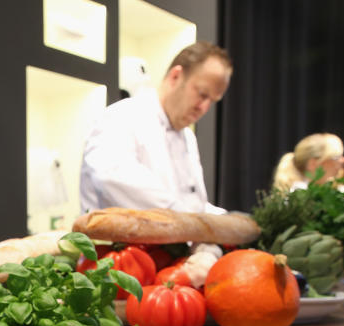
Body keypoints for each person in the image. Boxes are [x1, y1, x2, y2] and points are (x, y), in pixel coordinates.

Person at [79, 41, 233, 215]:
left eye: (212, 101)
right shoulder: (121, 117)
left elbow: (195, 205)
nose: (204, 108)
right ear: (176, 76)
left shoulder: (188, 138)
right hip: (118, 242)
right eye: (202, 94)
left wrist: (228, 220)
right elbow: (111, 178)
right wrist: (192, 222)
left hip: (175, 239)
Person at [272, 133, 344, 191]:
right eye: (336, 157)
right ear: (312, 164)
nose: (342, 161)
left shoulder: (339, 191)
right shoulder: (299, 198)